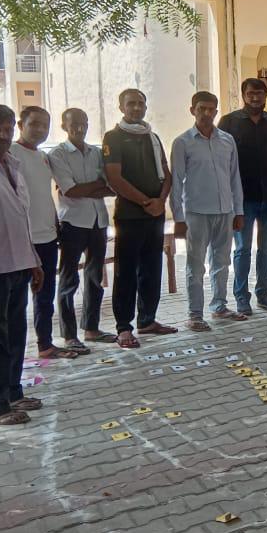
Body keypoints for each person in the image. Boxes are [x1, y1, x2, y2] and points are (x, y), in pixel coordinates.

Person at [0, 104, 44, 424]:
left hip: (18, 262)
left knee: (16, 334)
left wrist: (34, 260)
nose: (3, 135)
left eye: (7, 128)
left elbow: (20, 218)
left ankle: (13, 392)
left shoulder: (13, 165)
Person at [103, 88, 175, 348]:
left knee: (152, 269)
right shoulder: (114, 137)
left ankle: (147, 320)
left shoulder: (152, 137)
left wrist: (160, 201)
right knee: (126, 273)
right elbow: (114, 178)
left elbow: (166, 174)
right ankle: (124, 327)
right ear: (121, 107)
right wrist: (146, 202)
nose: (136, 108)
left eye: (140, 103)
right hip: (130, 216)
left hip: (155, 215)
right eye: (131, 104)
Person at [170, 91, 245, 332]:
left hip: (225, 212)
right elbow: (176, 181)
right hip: (196, 213)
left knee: (222, 262)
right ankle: (194, 314)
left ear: (216, 110)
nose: (206, 113)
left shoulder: (227, 140)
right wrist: (178, 218)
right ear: (192, 110)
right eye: (201, 108)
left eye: (211, 109)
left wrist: (238, 210)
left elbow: (234, 178)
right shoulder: (183, 142)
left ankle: (220, 306)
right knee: (195, 265)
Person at [12, 106, 77, 359]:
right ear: (21, 125)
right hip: (22, 240)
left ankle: (45, 344)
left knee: (45, 295)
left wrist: (55, 224)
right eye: (34, 124)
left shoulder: (42, 156)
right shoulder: (11, 153)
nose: (39, 129)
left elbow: (45, 195)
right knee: (18, 301)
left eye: (44, 125)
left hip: (47, 237)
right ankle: (13, 357)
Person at [219, 78, 267, 314]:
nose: (255, 97)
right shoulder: (229, 122)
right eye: (250, 94)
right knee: (242, 249)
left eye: (259, 93)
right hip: (242, 199)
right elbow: (221, 159)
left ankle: (264, 294)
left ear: (266, 95)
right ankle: (241, 297)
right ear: (243, 95)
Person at [48, 108, 116, 353]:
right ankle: (69, 335)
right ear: (64, 126)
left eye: (84, 123)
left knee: (95, 277)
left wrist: (94, 187)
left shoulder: (97, 153)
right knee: (68, 280)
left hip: (98, 221)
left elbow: (110, 188)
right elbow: (70, 191)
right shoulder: (58, 154)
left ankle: (92, 328)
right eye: (74, 124)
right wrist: (96, 185)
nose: (80, 128)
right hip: (73, 224)